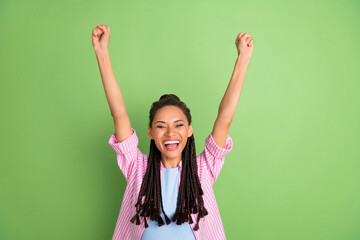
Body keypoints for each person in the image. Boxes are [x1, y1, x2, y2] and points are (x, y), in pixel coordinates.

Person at [92, 23, 254, 240]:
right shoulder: (137, 168)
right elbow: (118, 113)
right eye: (161, 126)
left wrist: (242, 59)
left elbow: (225, 118)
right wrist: (102, 52)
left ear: (189, 130)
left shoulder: (203, 169)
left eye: (178, 125)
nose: (170, 133)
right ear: (150, 132)